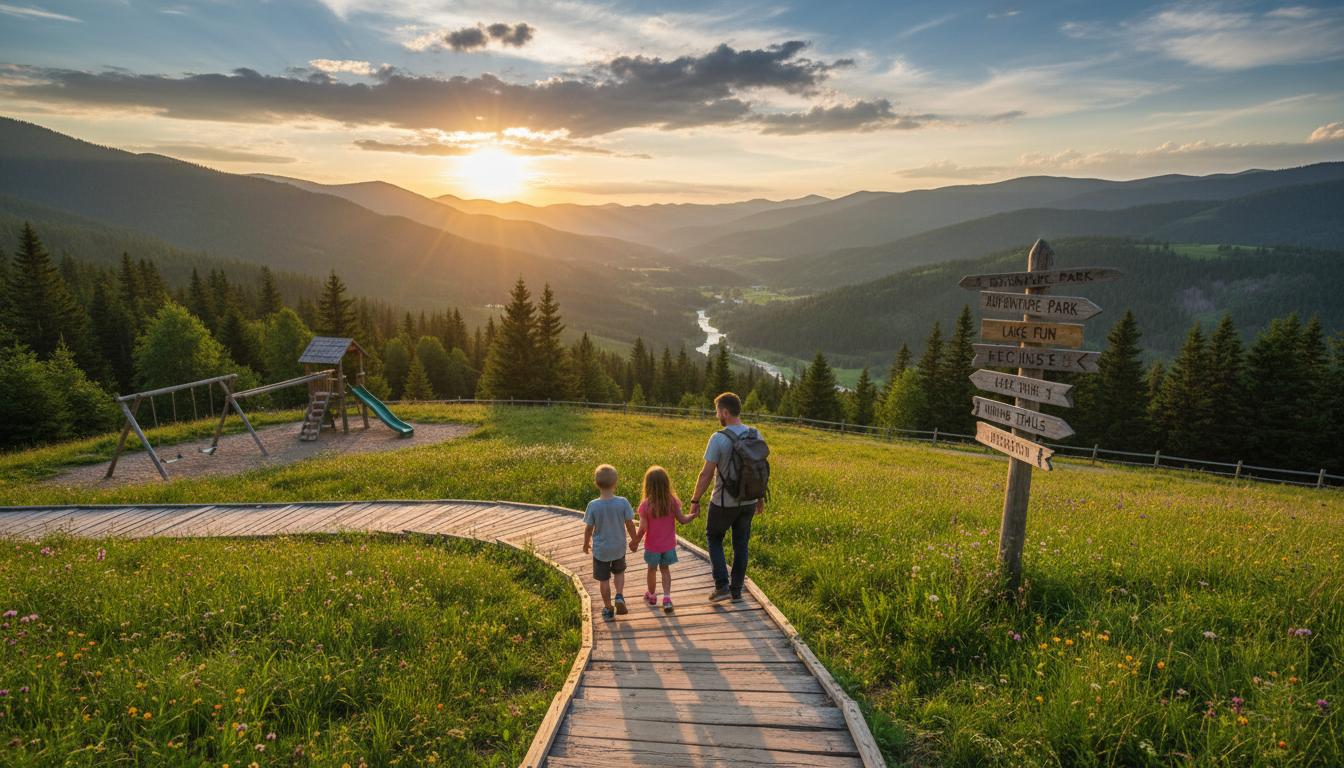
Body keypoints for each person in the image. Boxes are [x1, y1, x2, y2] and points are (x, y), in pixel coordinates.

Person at [689, 392, 766, 602]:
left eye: (717, 412)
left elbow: (705, 474)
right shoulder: (755, 434)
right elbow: (760, 470)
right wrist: (760, 498)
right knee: (741, 543)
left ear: (725, 412)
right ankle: (736, 590)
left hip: (724, 501)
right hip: (749, 501)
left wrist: (695, 500)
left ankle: (722, 585)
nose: (717, 416)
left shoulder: (718, 438)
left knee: (714, 537)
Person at [631, 465, 697, 613]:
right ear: (666, 483)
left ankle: (652, 595)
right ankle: (667, 598)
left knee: (652, 570)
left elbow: (642, 528)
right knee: (665, 570)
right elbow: (683, 520)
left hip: (652, 546)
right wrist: (692, 515)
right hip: (668, 546)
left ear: (647, 485)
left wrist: (634, 541)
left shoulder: (645, 505)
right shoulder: (672, 502)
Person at [582, 463, 638, 620]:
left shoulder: (593, 505)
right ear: (615, 483)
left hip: (601, 550)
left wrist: (586, 544)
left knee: (604, 579)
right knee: (619, 572)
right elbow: (630, 524)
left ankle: (608, 608)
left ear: (596, 483)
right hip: (618, 547)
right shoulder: (622, 502)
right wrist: (634, 539)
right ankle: (619, 595)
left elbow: (588, 529)